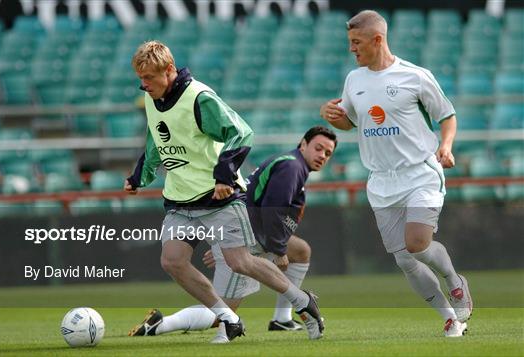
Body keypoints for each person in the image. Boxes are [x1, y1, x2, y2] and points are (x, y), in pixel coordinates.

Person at [124, 41, 323, 343]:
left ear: (168, 70)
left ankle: (302, 301)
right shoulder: (153, 99)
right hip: (180, 201)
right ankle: (230, 319)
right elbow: (156, 143)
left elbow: (241, 132)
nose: (143, 85)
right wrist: (139, 177)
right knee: (172, 261)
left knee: (239, 262)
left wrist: (224, 176)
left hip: (219, 199)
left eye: (149, 77)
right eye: (140, 78)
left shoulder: (198, 98)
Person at [319, 10, 472, 337]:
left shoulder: (415, 76)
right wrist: (332, 116)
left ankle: (455, 281)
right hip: (381, 181)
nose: (352, 49)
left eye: (356, 42)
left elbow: (447, 115)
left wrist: (446, 146)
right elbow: (350, 121)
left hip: (420, 173)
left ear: (378, 40)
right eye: (350, 43)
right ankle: (450, 318)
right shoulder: (354, 79)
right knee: (405, 259)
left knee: (416, 243)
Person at [128, 126, 336, 341]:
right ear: (303, 144)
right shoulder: (292, 167)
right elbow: (271, 211)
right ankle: (160, 325)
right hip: (245, 233)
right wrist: (277, 249)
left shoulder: (290, 163)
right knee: (223, 313)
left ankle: (282, 319)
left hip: (240, 229)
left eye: (328, 153)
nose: (322, 155)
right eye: (318, 148)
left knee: (301, 250)